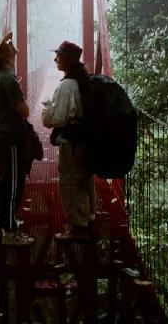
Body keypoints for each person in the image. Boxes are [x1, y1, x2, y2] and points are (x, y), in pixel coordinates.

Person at [42, 41, 95, 241]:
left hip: (72, 143)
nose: (55, 59)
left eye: (59, 55)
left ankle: (77, 228)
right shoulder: (85, 81)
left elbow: (54, 119)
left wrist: (47, 106)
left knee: (71, 182)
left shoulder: (67, 85)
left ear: (68, 60)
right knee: (85, 178)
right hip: (87, 140)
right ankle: (89, 218)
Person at [0, 31, 35, 246]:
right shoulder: (7, 79)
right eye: (11, 47)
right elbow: (24, 110)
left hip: (1, 135)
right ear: (6, 55)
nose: (15, 49)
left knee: (3, 180)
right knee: (14, 183)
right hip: (11, 137)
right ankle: (11, 232)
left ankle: (3, 221)